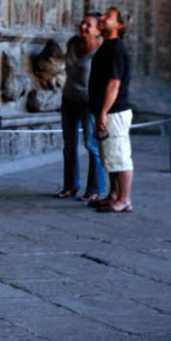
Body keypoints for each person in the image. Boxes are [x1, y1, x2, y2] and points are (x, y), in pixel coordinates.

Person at [57, 12, 107, 201]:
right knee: (69, 145)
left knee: (91, 144)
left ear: (97, 29)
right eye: (82, 23)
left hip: (89, 101)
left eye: (88, 25)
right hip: (69, 99)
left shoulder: (101, 50)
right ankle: (70, 186)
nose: (83, 27)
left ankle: (95, 188)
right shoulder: (73, 43)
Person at [89, 6, 133, 212]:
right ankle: (113, 194)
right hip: (107, 110)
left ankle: (124, 199)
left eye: (108, 17)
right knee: (110, 155)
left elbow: (114, 83)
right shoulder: (108, 46)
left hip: (114, 110)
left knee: (120, 154)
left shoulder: (115, 48)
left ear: (119, 25)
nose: (102, 18)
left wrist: (104, 111)